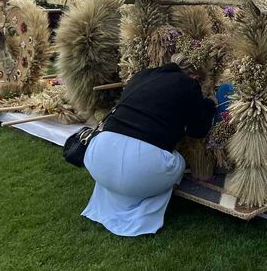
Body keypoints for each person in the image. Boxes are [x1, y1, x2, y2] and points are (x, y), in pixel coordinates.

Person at [81, 54, 216, 236]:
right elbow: (198, 130)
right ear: (193, 75)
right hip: (141, 169)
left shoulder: (141, 76)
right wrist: (209, 105)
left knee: (126, 167)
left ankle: (113, 202)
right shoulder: (188, 84)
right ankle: (140, 209)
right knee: (177, 163)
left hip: (99, 158)